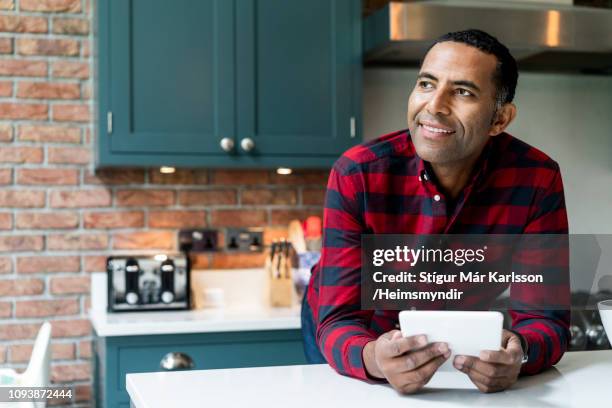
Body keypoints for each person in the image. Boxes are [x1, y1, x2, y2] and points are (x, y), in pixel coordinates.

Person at [301, 29, 570, 394]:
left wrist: (519, 353)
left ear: (500, 119)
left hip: (453, 337)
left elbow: (546, 320)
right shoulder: (358, 174)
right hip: (361, 332)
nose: (435, 105)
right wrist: (374, 358)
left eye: (463, 92)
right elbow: (339, 321)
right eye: (427, 84)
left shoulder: (537, 179)